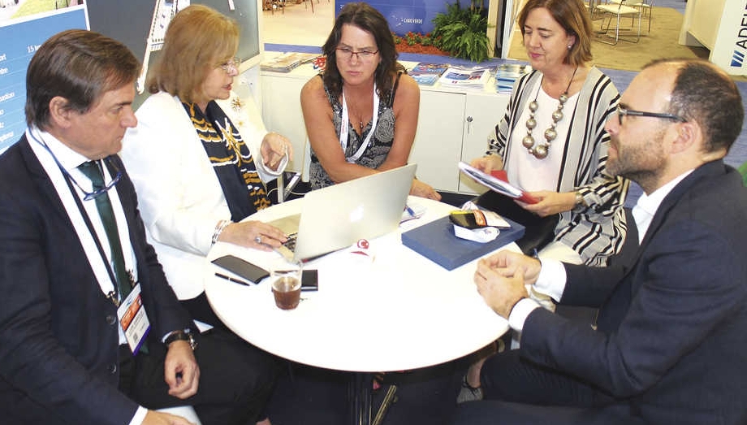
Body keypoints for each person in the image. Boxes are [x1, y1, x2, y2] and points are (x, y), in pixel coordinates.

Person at [0, 29, 276, 425]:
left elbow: (143, 258)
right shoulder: (4, 196)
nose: (131, 119)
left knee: (254, 369)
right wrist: (136, 419)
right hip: (76, 378)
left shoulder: (105, 157)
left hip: (137, 346)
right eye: (117, 108)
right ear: (62, 112)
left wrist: (176, 336)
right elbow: (22, 348)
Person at [453, 58, 747, 425]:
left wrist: (516, 307)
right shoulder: (703, 190)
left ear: (682, 136)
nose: (610, 126)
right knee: (501, 371)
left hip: (657, 405)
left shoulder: (700, 236)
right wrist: (537, 271)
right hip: (644, 371)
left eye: (627, 115)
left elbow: (622, 367)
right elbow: (630, 283)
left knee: (470, 420)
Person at [121, 5, 292, 327]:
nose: (235, 72)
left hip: (240, 245)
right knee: (284, 314)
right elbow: (163, 220)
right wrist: (229, 231)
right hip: (195, 268)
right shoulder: (152, 123)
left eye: (234, 61)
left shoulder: (219, 107)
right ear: (193, 64)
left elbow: (245, 172)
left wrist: (270, 157)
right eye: (224, 64)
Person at [471, 0, 628, 267]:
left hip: (573, 221)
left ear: (571, 38)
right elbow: (500, 142)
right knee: (461, 254)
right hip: (513, 210)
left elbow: (614, 184)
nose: (532, 42)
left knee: (524, 280)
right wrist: (493, 161)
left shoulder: (602, 96)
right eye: (528, 31)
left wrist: (565, 201)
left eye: (544, 34)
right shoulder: (527, 83)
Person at [300, 2, 441, 200]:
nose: (354, 61)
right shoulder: (316, 93)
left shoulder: (404, 90)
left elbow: (395, 163)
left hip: (388, 192)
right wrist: (406, 186)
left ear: (381, 55)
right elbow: (337, 171)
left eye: (365, 52)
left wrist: (387, 192)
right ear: (333, 50)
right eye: (345, 50)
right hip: (333, 196)